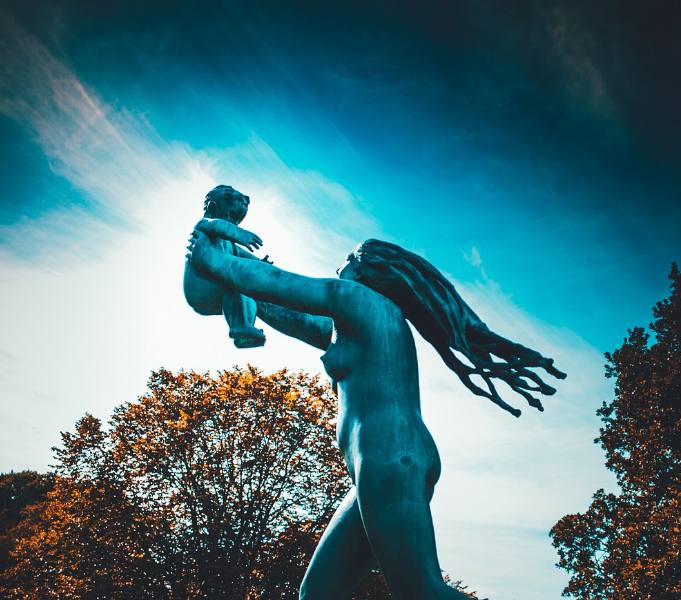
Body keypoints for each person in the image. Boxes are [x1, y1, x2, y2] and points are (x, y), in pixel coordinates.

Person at [186, 229, 566, 600]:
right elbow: (287, 310)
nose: (338, 270)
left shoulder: (358, 300)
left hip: (390, 461)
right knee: (317, 592)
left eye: (345, 262)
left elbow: (278, 284)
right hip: (380, 466)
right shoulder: (362, 319)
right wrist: (239, 266)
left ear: (361, 269)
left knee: (422, 591)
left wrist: (209, 256)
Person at [183, 185, 267, 348]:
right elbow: (217, 225)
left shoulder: (230, 244)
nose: (233, 224)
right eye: (231, 218)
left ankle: (245, 328)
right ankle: (239, 326)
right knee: (237, 282)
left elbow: (244, 255)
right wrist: (239, 233)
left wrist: (260, 262)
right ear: (212, 207)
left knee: (245, 290)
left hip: (218, 290)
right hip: (200, 286)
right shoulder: (204, 224)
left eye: (235, 221)